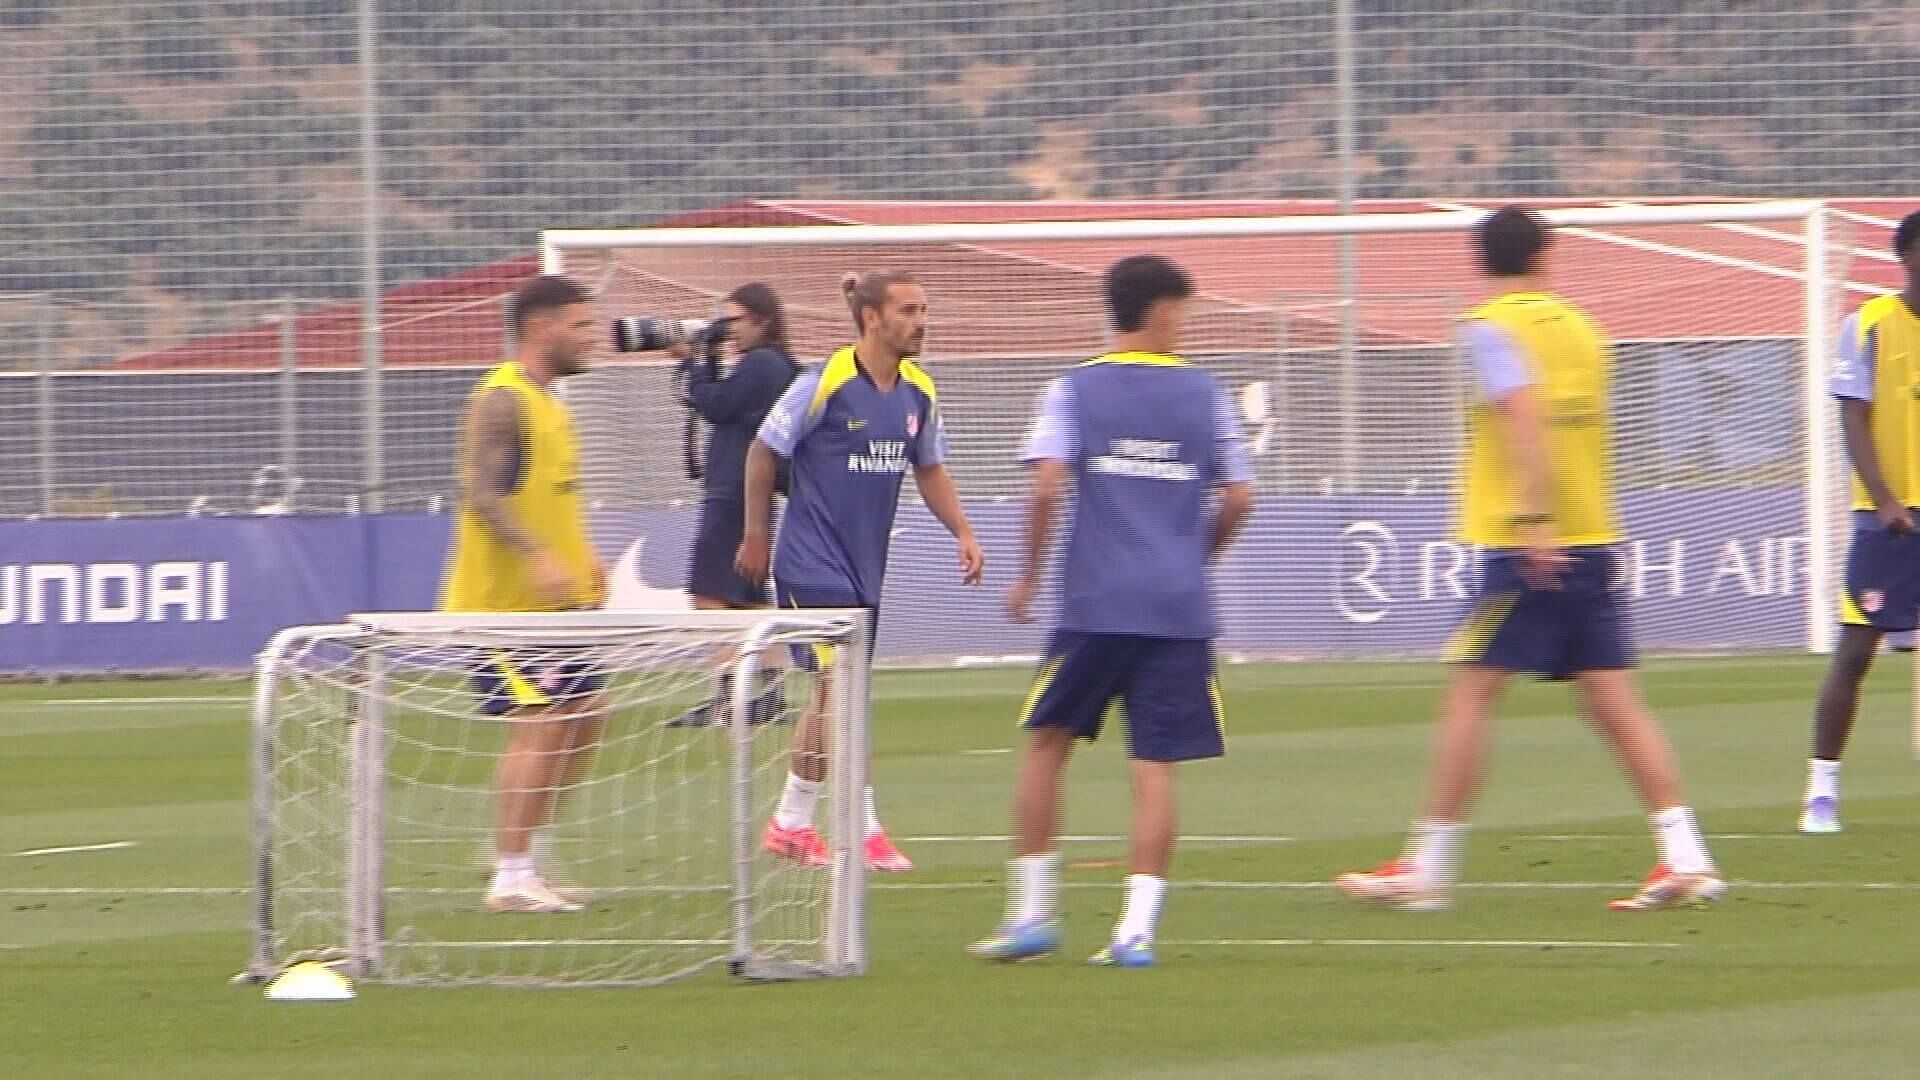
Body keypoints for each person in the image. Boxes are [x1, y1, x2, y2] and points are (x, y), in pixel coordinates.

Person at [1335, 206, 1726, 913]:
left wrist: (1533, 517)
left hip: (1528, 544)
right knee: (1612, 701)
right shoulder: (1585, 329)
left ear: (1481, 260)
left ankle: (1427, 869)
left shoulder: (1488, 328)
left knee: (1471, 693)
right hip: (1595, 535)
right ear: (1547, 255)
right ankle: (1686, 854)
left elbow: (1522, 412)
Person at [970, 255, 1254, 968]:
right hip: (1178, 608)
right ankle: (1135, 932)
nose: (1185, 326)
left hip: (1095, 603)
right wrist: (1194, 559)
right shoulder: (1206, 394)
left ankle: (1033, 915)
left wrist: (1029, 576)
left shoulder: (1074, 390)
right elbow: (1240, 499)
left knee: (1047, 746)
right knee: (1154, 768)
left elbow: (1042, 489)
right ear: (1159, 312)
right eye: (1182, 313)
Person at [736, 269, 985, 872]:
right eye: (908, 310)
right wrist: (755, 534)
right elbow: (763, 450)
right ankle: (863, 825)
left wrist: (963, 530)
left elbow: (929, 467)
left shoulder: (917, 392)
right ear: (872, 318)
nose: (920, 322)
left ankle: (791, 823)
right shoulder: (822, 384)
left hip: (863, 570)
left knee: (832, 695)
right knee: (842, 690)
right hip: (809, 563)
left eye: (925, 310)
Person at [440, 274, 609, 914]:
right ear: (541, 329)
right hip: (508, 606)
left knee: (589, 713)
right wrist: (534, 556)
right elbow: (479, 494)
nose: (591, 337)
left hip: (559, 607)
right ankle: (511, 875)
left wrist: (581, 555)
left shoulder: (552, 400)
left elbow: (548, 493)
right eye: (579, 325)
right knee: (542, 721)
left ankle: (525, 855)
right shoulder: (506, 399)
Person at [1798, 210, 1920, 833]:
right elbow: (1853, 422)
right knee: (1855, 651)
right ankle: (1822, 788)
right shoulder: (1869, 323)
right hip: (1889, 519)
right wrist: (1887, 500)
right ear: (1906, 257)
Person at [664, 283, 800, 729]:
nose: (727, 331)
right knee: (747, 599)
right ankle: (770, 696)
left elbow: (715, 405)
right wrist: (705, 360)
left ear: (761, 319)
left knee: (711, 593)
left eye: (734, 320)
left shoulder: (762, 364)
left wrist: (692, 363)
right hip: (749, 494)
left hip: (732, 493)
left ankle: (728, 698)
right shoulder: (776, 366)